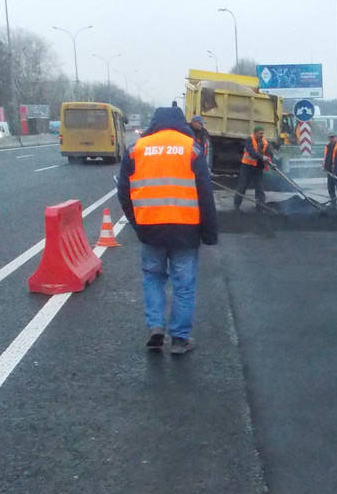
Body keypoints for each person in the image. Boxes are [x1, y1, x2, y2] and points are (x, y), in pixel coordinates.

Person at [117, 106, 218, 354]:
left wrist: (137, 222)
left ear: (154, 122)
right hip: (186, 230)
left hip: (151, 229)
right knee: (183, 285)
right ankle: (180, 340)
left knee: (153, 278)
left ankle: (155, 328)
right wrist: (209, 232)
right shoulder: (191, 148)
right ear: (181, 123)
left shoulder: (136, 149)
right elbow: (205, 194)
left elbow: (124, 193)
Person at [234, 125, 273, 211]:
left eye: (263, 133)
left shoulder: (265, 143)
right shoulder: (249, 140)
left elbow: (269, 154)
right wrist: (262, 157)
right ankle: (236, 205)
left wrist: (271, 163)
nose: (262, 135)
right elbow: (251, 152)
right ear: (255, 133)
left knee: (259, 187)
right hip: (247, 167)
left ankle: (260, 206)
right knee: (242, 186)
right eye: (260, 133)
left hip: (258, 168)